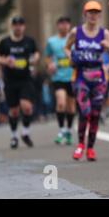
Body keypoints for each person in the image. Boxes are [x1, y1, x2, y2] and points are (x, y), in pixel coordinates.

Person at [65, 1, 109, 162]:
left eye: (96, 12)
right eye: (90, 12)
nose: (93, 15)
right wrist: (71, 58)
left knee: (95, 114)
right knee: (85, 112)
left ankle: (90, 148)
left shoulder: (105, 33)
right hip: (81, 76)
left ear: (99, 15)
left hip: (99, 78)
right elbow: (66, 47)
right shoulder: (76, 32)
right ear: (85, 14)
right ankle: (80, 144)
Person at [0, 16, 40, 149]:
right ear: (12, 26)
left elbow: (36, 54)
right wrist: (5, 61)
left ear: (24, 26)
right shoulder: (5, 42)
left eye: (20, 24)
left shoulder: (29, 41)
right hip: (10, 80)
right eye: (15, 24)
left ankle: (25, 133)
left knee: (26, 107)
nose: (18, 27)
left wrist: (34, 60)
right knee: (13, 111)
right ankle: (14, 136)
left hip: (25, 79)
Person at [45, 16, 76, 145]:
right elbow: (47, 57)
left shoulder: (75, 39)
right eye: (61, 23)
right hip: (58, 77)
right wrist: (50, 64)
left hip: (73, 77)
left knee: (71, 107)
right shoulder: (51, 41)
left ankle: (68, 130)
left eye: (67, 23)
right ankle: (61, 130)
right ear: (57, 26)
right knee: (61, 102)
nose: (64, 26)